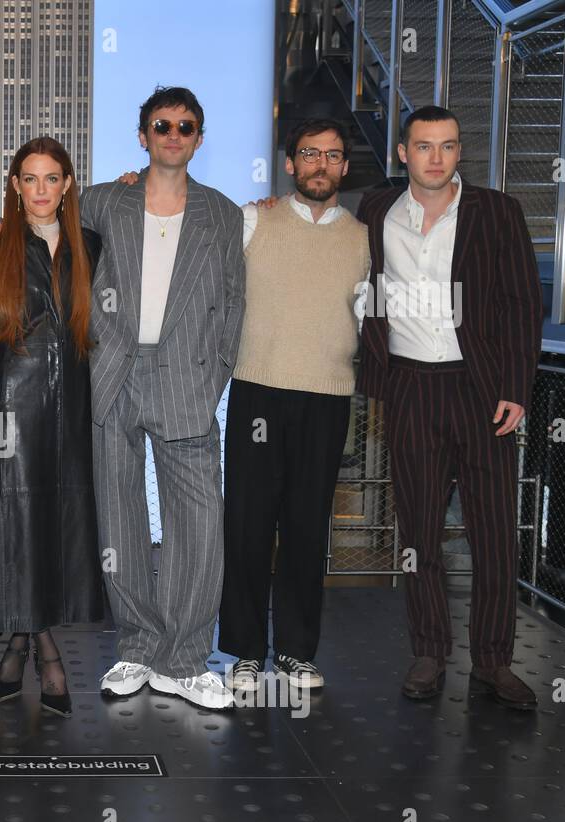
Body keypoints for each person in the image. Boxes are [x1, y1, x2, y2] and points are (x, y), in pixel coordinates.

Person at [0, 87, 246, 709]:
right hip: (110, 377)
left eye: (185, 126)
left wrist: (214, 379)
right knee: (116, 518)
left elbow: (234, 306)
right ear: (142, 134)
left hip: (186, 381)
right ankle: (139, 648)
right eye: (161, 125)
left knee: (198, 525)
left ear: (199, 137)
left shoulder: (226, 215)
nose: (173, 135)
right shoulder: (101, 201)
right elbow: (40, 217)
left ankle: (187, 656)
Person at [355, 105, 542, 708]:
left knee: (493, 535)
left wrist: (515, 386)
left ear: (461, 153)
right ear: (402, 154)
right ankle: (429, 651)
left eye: (449, 146)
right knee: (419, 534)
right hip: (410, 387)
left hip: (482, 389)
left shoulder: (498, 212)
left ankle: (492, 661)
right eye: (424, 146)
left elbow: (521, 304)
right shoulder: (377, 211)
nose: (437, 157)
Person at [217, 118, 370, 695]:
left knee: (308, 529)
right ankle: (246, 652)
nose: (320, 165)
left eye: (332, 156)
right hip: (258, 389)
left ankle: (297, 653)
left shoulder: (361, 238)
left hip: (328, 396)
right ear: (290, 163)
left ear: (344, 167)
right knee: (249, 526)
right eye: (310, 154)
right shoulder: (252, 220)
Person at [0, 136, 104, 717]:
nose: (42, 189)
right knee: (18, 528)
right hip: (12, 406)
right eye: (30, 179)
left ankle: (18, 645)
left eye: (53, 178)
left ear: (68, 184)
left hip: (73, 410)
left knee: (55, 531)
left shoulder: (91, 246)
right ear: (16, 185)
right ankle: (48, 657)